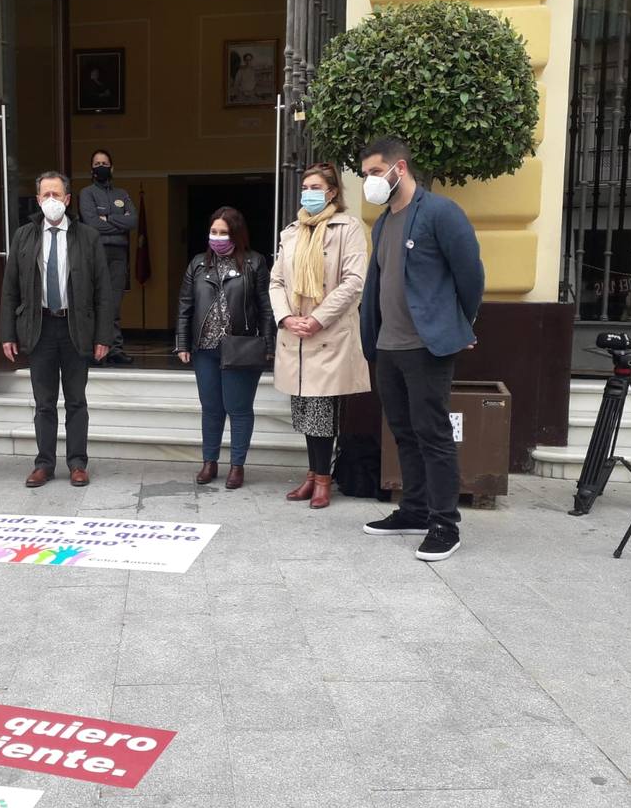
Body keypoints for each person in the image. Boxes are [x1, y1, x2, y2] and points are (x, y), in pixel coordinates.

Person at [358, 136, 485, 562]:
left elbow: (470, 274)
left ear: (400, 168)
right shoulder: (383, 222)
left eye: (375, 173)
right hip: (388, 344)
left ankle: (444, 523)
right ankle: (412, 511)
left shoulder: (439, 213)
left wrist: (459, 325)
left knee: (433, 435)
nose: (369, 182)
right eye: (365, 175)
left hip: (426, 346)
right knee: (403, 433)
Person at [269, 162, 371, 509]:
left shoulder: (349, 228)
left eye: (315, 188)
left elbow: (354, 281)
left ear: (332, 192)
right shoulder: (292, 231)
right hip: (296, 335)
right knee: (305, 411)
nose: (308, 193)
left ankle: (323, 481)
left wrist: (317, 319)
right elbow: (277, 281)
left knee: (321, 412)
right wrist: (285, 317)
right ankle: (312, 476)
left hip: (327, 335)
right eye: (305, 187)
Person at [0, 171, 111, 488]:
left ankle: (78, 463)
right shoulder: (24, 236)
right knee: (44, 402)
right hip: (40, 328)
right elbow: (10, 290)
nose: (51, 200)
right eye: (45, 195)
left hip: (76, 327)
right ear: (38, 200)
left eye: (56, 194)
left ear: (67, 199)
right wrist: (8, 333)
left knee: (77, 401)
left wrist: (103, 336)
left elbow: (103, 290)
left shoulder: (87, 237)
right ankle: (44, 464)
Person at [175, 206, 274, 490]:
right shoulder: (197, 264)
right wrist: (182, 342)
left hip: (241, 347)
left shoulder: (254, 263)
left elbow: (266, 308)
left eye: (224, 233)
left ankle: (237, 465)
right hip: (205, 348)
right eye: (214, 232)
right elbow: (185, 306)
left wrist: (268, 344)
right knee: (211, 408)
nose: (217, 238)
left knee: (239, 408)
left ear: (236, 234)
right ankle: (209, 461)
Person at [78, 149, 136, 364]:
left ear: (112, 168)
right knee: (96, 301)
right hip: (96, 253)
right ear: (91, 168)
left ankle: (115, 349)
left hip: (119, 254)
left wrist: (107, 218)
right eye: (96, 163)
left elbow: (133, 221)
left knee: (114, 303)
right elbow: (92, 224)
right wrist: (118, 221)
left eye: (104, 162)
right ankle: (96, 349)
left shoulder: (122, 194)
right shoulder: (87, 193)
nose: (100, 166)